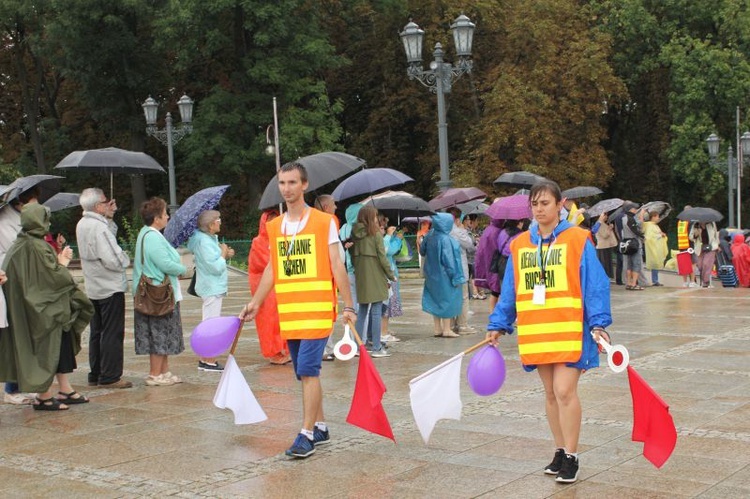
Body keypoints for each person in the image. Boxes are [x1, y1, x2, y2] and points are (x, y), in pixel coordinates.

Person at [486, 180, 612, 483]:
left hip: (571, 328)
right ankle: (558, 450)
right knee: (550, 394)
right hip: (538, 329)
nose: (539, 209)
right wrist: (497, 324)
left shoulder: (578, 238)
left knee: (564, 391)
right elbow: (510, 290)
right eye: (535, 204)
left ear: (560, 204)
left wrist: (599, 323)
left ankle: (572, 455)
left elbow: (595, 283)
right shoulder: (519, 245)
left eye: (545, 203)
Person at [239, 162, 356, 459]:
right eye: (282, 183)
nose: (287, 188)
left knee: (307, 370)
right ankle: (321, 426)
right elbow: (272, 269)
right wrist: (256, 301)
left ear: (304, 185)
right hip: (290, 312)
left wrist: (349, 304)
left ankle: (306, 435)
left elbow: (336, 264)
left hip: (317, 310)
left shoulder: (322, 222)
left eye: (292, 182)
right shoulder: (274, 227)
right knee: (303, 375)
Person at [0, 203, 94, 410]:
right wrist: (64, 262)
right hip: (42, 311)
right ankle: (44, 396)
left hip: (38, 308)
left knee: (60, 346)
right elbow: (54, 278)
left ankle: (65, 388)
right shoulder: (36, 246)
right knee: (46, 349)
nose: (48, 223)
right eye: (45, 219)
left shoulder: (22, 243)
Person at [76, 188, 133, 388]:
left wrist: (110, 216)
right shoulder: (97, 227)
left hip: (94, 286)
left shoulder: (83, 223)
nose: (107, 203)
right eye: (104, 202)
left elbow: (106, 238)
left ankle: (96, 372)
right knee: (112, 332)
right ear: (98, 205)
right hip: (109, 286)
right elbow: (113, 258)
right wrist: (125, 258)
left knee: (97, 331)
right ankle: (110, 375)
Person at [133, 197, 187, 386]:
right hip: (158, 295)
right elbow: (164, 263)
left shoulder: (148, 234)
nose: (168, 217)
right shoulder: (153, 237)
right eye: (165, 214)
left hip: (159, 293)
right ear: (156, 218)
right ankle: (155, 374)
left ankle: (163, 371)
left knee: (164, 332)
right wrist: (182, 269)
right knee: (159, 333)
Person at [0, 187, 41, 405]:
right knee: (15, 336)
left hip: (20, 281)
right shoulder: (7, 221)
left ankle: (24, 384)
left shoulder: (17, 218)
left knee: (24, 336)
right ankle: (12, 387)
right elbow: (16, 248)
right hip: (11, 282)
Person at [188, 209, 235, 372]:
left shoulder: (208, 239)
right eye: (218, 219)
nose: (220, 221)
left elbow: (214, 260)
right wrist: (222, 254)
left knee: (210, 322)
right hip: (211, 287)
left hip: (212, 286)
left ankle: (206, 358)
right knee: (211, 324)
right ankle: (208, 360)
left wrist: (225, 254)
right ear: (210, 225)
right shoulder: (204, 242)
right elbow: (215, 267)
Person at [351, 205, 395, 357]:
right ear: (371, 217)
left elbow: (352, 255)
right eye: (375, 216)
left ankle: (357, 346)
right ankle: (376, 348)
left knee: (362, 311)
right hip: (375, 275)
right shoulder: (375, 233)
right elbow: (382, 258)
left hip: (361, 276)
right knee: (376, 311)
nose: (377, 219)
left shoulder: (354, 233)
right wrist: (391, 275)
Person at [248, 208, 290, 364]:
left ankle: (283, 348)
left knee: (281, 319)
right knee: (269, 321)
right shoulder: (258, 242)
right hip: (264, 287)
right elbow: (265, 265)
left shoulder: (281, 238)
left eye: (275, 219)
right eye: (269, 220)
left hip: (278, 285)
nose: (271, 223)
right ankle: (274, 351)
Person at [420, 212, 465, 338]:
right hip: (445, 276)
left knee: (435, 300)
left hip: (431, 274)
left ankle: (437, 328)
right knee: (448, 300)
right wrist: (455, 277)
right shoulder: (446, 239)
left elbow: (422, 251)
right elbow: (450, 261)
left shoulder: (430, 235)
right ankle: (447, 329)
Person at [448, 207, 475, 334]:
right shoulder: (458, 232)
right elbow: (469, 244)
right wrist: (462, 230)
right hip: (460, 269)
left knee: (452, 297)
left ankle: (452, 324)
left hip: (448, 270)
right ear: (458, 219)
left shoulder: (443, 231)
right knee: (463, 298)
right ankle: (463, 326)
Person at [474, 217, 504, 311]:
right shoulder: (499, 231)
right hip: (498, 265)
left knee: (495, 292)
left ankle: (493, 316)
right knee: (498, 292)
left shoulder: (489, 229)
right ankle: (497, 317)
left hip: (490, 264)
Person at [381, 223, 404, 343]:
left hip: (388, 273)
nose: (385, 226)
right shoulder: (382, 238)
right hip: (386, 275)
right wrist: (396, 239)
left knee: (387, 304)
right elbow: (388, 250)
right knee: (385, 305)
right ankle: (383, 333)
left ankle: (384, 330)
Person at [619, 201, 645, 290]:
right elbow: (635, 229)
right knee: (636, 264)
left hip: (626, 243)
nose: (636, 210)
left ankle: (629, 283)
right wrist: (642, 236)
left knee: (629, 264)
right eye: (635, 208)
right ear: (631, 209)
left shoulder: (623, 218)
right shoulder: (630, 218)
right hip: (634, 243)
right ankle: (634, 284)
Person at [690, 221, 719, 288]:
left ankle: (706, 282)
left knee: (706, 264)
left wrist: (717, 245)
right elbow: (691, 237)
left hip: (711, 247)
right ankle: (705, 280)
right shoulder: (696, 225)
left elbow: (715, 235)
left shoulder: (712, 223)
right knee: (700, 265)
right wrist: (696, 234)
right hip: (700, 248)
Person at [643, 211, 669, 286]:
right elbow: (650, 237)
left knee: (656, 263)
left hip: (656, 248)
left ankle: (655, 280)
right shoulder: (649, 225)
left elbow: (657, 234)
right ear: (653, 217)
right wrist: (660, 236)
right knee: (654, 263)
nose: (658, 218)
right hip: (653, 248)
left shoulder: (655, 225)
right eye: (657, 216)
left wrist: (662, 235)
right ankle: (655, 280)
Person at [676, 207, 698, 287]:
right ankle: (692, 282)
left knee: (684, 264)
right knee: (693, 263)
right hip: (690, 246)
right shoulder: (691, 222)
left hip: (682, 246)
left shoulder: (680, 222)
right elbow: (692, 235)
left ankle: (685, 282)